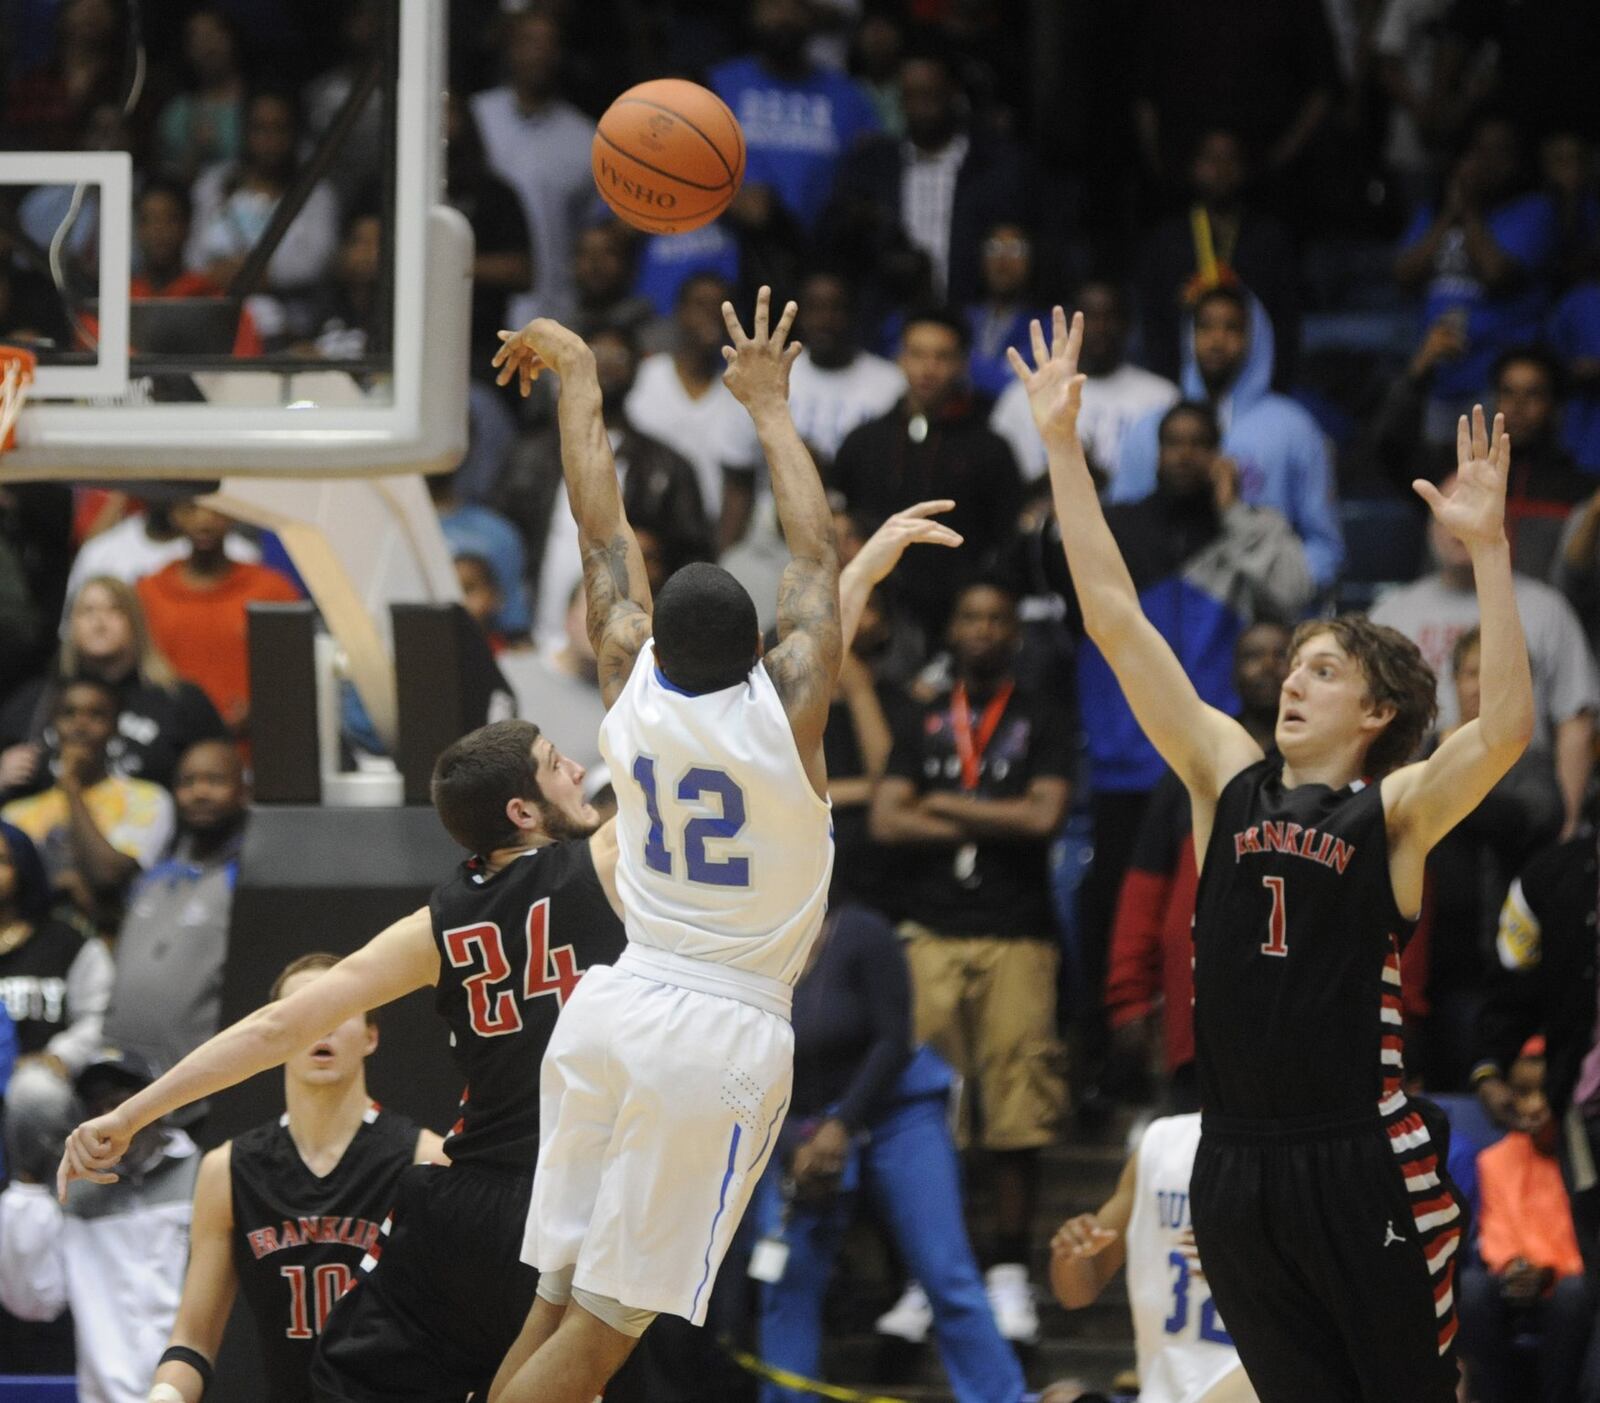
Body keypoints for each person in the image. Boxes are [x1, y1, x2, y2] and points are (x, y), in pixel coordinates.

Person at [1012, 303, 1535, 1400]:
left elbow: (1507, 733)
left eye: (1323, 670)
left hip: (1362, 1155)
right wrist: (1063, 450)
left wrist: (1489, 549)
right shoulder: (1222, 776)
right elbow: (1113, 617)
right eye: (1293, 664)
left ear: (1379, 710)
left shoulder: (1390, 812)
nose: (1292, 679)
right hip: (1235, 1155)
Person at [483, 291, 958, 1403]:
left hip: (613, 1005)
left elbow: (602, 534)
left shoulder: (623, 678)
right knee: (600, 1337)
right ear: (759, 646)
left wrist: (583, 383)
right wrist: (771, 407)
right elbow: (812, 555)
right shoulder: (787, 710)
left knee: (553, 1305)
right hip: (719, 1026)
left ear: (655, 640)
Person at [58, 714, 623, 1403]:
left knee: (362, 1377)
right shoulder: (608, 860)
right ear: (522, 810)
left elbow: (273, 1028)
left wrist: (133, 1112)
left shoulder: (436, 922)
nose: (575, 770)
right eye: (557, 761)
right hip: (577, 1191)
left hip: (471, 1202)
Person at [868, 574, 1073, 1343]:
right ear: (951, 630)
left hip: (1018, 932)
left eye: (997, 616)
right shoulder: (924, 717)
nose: (983, 629)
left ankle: (1010, 1271)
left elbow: (1045, 815)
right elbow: (886, 820)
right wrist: (995, 817)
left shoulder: (1042, 714)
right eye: (970, 615)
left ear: (1014, 632)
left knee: (1017, 1107)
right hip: (930, 932)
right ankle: (930, 1275)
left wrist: (945, 805)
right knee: (928, 1116)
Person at [751, 905, 1025, 1403]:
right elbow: (737, 1063)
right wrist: (791, 1141)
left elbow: (892, 1038)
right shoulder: (737, 947)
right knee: (786, 1280)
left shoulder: (860, 932)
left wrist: (842, 1124)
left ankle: (1000, 1396)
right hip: (800, 1126)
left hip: (898, 1111)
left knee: (946, 1273)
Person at [148, 953, 444, 1403]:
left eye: (337, 1009)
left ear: (370, 1035)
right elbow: (193, 1339)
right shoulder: (227, 1171)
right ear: (273, 1038)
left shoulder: (426, 1159)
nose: (320, 1025)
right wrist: (164, 1395)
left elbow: (464, 1329)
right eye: (303, 1011)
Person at [1105, 623, 1291, 1110]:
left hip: (1296, 1026)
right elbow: (1143, 896)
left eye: (1281, 654)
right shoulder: (1186, 773)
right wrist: (1129, 998)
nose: (1269, 665)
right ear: (1232, 673)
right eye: (1254, 655)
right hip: (1198, 1019)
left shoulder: (1329, 773)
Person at [1371, 476, 1597, 837]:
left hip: (1523, 784)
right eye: (1447, 511)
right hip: (1417, 777)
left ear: (1501, 520)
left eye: (1473, 508)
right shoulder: (1390, 613)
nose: (1459, 523)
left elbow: (1575, 719)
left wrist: (1567, 823)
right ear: (1431, 525)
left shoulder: (1547, 608)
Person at [1111, 284, 1344, 590]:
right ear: (1189, 336)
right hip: (1166, 606)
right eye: (1205, 327)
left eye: (1232, 328)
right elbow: (1119, 531)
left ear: (1256, 337)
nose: (1217, 340)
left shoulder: (1295, 429)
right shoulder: (1152, 428)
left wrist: (1292, 594)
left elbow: (1324, 545)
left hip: (1264, 608)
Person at [1, 1048, 199, 1403]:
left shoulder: (205, 1174)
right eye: (99, 1107)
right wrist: (28, 1178)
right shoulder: (69, 1196)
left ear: (160, 1106)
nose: (114, 1119)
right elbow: (31, 1301)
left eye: (127, 1103)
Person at [500, 322, 712, 648]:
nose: (606, 365)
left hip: (634, 649)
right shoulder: (530, 455)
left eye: (618, 356)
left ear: (638, 366)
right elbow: (502, 545)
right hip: (533, 638)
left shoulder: (669, 467)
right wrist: (512, 626)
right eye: (594, 354)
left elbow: (693, 567)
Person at [830, 307, 1024, 642]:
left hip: (957, 627)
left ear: (963, 363)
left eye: (942, 356)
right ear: (900, 359)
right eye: (917, 354)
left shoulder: (990, 449)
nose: (928, 368)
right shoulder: (864, 441)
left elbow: (1006, 543)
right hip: (868, 616)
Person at [1050, 1114, 1259, 1403]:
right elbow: (1077, 1293)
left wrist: (1253, 1269)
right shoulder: (1160, 1143)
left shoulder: (1303, 1150)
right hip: (1165, 1391)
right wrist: (1071, 1253)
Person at [100, 740, 250, 1115]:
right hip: (119, 1086)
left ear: (243, 790)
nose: (199, 792)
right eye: (187, 782)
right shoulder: (153, 875)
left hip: (203, 1095)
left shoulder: (249, 880)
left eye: (215, 780)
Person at [1394, 115, 1557, 436]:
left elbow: (1497, 273)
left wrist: (1468, 209)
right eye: (1479, 151)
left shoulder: (1532, 211)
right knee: (1441, 480)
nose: (1487, 163)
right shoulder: (1434, 212)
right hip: (1439, 377)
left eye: (1500, 153)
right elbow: (1403, 274)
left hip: (1497, 384)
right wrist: (1449, 214)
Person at [0, 576, 227, 801]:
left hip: (148, 830)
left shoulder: (181, 700)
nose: (99, 622)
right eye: (87, 611)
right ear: (70, 625)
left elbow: (223, 777)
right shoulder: (37, 699)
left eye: (114, 610)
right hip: (45, 832)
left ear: (136, 622)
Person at [1457, 1037, 1593, 1403]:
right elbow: (1495, 1229)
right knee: (1471, 1288)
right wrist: (1514, 1267)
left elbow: (1588, 1238)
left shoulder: (1586, 1154)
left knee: (1575, 1294)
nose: (1531, 1106)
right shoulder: (1493, 1159)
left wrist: (1550, 1270)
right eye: (1521, 1093)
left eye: (1541, 1093)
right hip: (1515, 1282)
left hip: (1569, 1283)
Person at [1135, 129, 1301, 391]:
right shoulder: (1167, 240)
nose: (1221, 170)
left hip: (1255, 384)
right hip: (1179, 384)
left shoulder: (1269, 239)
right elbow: (1154, 322)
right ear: (1194, 168)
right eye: (1211, 160)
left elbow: (1285, 321)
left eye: (1230, 160)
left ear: (1244, 169)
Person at [1, 677, 175, 918]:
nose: (80, 726)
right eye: (68, 714)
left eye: (96, 715)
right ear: (53, 724)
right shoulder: (15, 814)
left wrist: (72, 786)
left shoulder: (148, 799)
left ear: (115, 727)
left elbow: (109, 875)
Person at [707, 0, 880, 233]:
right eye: (773, 5)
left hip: (821, 254)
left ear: (812, 15)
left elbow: (874, 176)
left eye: (795, 6)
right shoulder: (717, 87)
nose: (784, 17)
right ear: (754, 13)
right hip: (732, 253)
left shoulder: (849, 97)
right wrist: (728, 199)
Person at [0, 819, 111, 1182]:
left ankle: (39, 1195)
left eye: (2, 860)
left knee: (35, 1092)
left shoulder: (67, 942)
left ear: (26, 867)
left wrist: (60, 1055)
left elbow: (99, 1017)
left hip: (41, 1082)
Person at [186, 88, 341, 344]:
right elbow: (193, 257)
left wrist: (254, 274)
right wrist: (222, 275)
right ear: (245, 132)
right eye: (260, 128)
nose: (269, 140)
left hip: (289, 334)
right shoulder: (214, 185)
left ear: (295, 133)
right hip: (217, 330)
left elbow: (316, 261)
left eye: (279, 128)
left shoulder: (316, 193)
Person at [471, 10, 597, 325]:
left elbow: (594, 232)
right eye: (529, 41)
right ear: (510, 48)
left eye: (548, 44)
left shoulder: (585, 138)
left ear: (560, 54)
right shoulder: (477, 119)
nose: (538, 53)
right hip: (481, 312)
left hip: (555, 310)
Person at [991, 278, 1178, 489]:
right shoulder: (1023, 394)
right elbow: (998, 481)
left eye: (1110, 316)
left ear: (1128, 324)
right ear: (1069, 322)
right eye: (1088, 317)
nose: (1100, 327)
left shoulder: (1161, 397)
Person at [135, 503, 302, 738]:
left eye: (216, 508)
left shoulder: (273, 591)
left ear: (233, 511)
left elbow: (295, 672)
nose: (204, 522)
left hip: (258, 746)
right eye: (191, 509)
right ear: (174, 514)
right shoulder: (147, 593)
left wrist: (263, 709)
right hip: (170, 746)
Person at [624, 272, 759, 535]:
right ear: (679, 312)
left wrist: (721, 559)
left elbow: (738, 488)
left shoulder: (740, 395)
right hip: (640, 527)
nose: (710, 315)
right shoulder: (646, 376)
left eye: (720, 308)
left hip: (704, 535)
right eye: (700, 304)